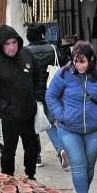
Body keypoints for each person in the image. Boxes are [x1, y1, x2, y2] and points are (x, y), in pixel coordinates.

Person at [47, 40, 97, 193]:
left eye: (82, 61)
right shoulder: (64, 73)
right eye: (75, 61)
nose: (78, 65)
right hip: (69, 129)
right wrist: (61, 115)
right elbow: (51, 96)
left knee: (89, 166)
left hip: (95, 129)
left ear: (91, 59)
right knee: (78, 165)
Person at [0, 25, 44, 180]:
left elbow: (39, 76)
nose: (11, 47)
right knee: (7, 152)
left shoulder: (27, 54)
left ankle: (31, 177)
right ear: (1, 46)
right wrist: (5, 107)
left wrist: (36, 94)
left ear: (18, 42)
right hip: (6, 118)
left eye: (14, 43)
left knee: (32, 148)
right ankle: (8, 180)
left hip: (28, 114)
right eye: (7, 44)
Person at [25, 23, 69, 169]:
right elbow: (63, 65)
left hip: (33, 95)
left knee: (32, 126)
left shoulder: (25, 52)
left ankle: (36, 156)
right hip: (52, 92)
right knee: (50, 123)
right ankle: (61, 149)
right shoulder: (53, 49)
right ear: (43, 35)